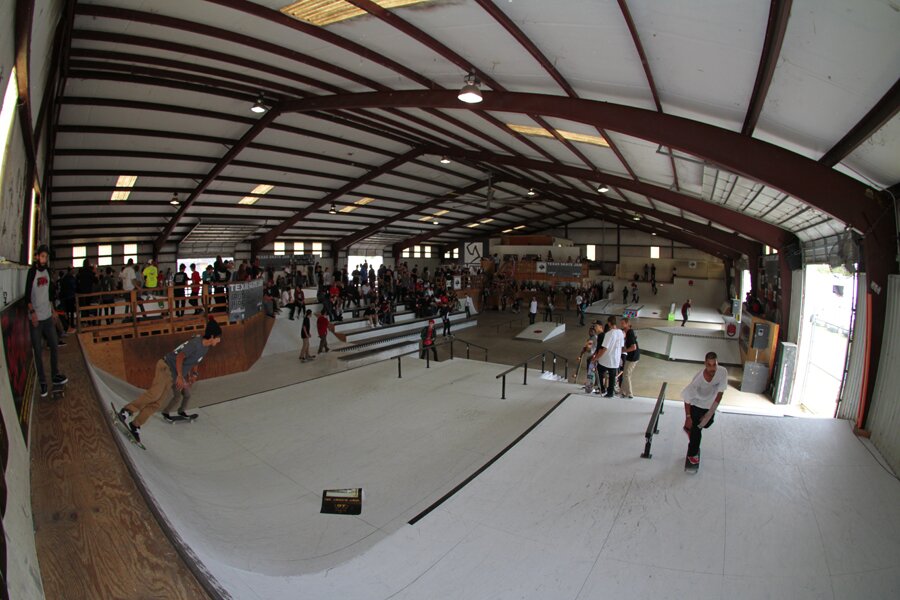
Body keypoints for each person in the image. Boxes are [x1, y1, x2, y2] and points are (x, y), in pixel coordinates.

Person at [117, 318, 222, 443]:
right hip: (166, 367)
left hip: (172, 375)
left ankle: (135, 425)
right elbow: (180, 357)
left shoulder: (206, 348)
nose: (219, 340)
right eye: (218, 337)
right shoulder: (195, 343)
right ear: (211, 336)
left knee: (157, 403)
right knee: (154, 394)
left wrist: (193, 373)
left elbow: (195, 361)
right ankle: (126, 411)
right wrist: (179, 376)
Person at [26, 245, 68, 397]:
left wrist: (53, 310)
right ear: (37, 257)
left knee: (54, 345)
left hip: (48, 316)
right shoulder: (32, 272)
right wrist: (33, 314)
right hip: (36, 319)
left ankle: (55, 375)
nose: (44, 259)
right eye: (42, 256)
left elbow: (49, 294)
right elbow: (27, 296)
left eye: (46, 257)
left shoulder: (48, 272)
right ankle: (43, 382)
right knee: (38, 351)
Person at [682, 352, 727, 467]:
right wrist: (688, 417)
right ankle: (692, 454)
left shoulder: (722, 372)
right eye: (709, 365)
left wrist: (709, 413)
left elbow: (720, 393)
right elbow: (686, 398)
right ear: (705, 364)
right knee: (697, 429)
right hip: (696, 405)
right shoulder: (698, 380)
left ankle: (689, 430)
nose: (712, 368)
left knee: (707, 423)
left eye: (714, 364)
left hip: (709, 406)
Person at [591, 316, 624, 398]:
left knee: (599, 371)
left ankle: (602, 388)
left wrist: (596, 358)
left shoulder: (609, 334)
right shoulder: (620, 332)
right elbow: (621, 346)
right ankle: (610, 393)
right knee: (612, 376)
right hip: (615, 359)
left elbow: (604, 349)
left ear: (609, 323)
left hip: (606, 359)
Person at [620, 318, 640, 399]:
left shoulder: (630, 333)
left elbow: (633, 347)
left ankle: (629, 393)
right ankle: (623, 391)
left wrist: (624, 350)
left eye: (623, 323)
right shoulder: (628, 332)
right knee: (625, 374)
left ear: (627, 324)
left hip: (633, 357)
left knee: (626, 375)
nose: (621, 325)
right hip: (631, 356)